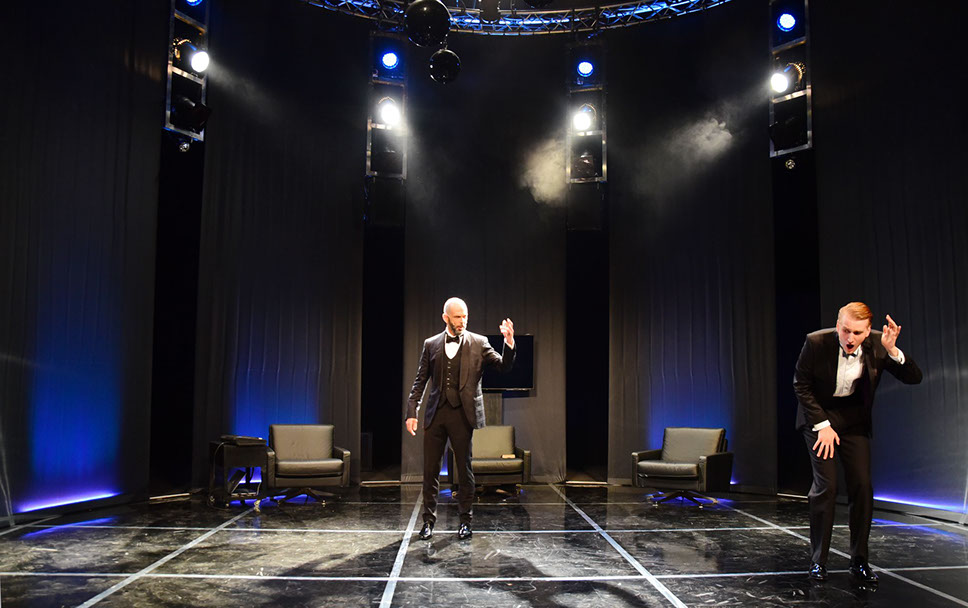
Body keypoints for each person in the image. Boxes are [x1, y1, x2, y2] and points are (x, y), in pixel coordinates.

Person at [794, 302, 922, 584]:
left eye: (857, 333)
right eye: (845, 330)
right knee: (827, 486)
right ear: (837, 325)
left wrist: (892, 351)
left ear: (867, 331)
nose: (850, 338)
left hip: (853, 421)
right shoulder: (816, 342)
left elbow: (914, 378)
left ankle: (859, 560)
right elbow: (801, 384)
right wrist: (823, 425)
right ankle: (818, 561)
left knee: (862, 486)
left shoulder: (879, 344)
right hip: (819, 418)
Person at [405, 297, 515, 540]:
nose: (462, 321)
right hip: (436, 414)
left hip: (463, 415)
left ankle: (465, 521)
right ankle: (428, 522)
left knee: (464, 470)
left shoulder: (479, 342)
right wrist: (412, 412)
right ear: (446, 318)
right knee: (430, 471)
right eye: (457, 317)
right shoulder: (431, 344)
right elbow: (420, 381)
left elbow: (503, 367)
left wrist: (508, 342)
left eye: (465, 316)